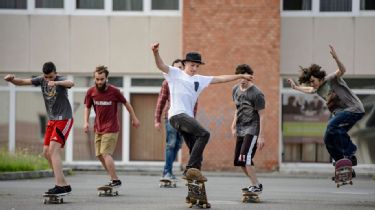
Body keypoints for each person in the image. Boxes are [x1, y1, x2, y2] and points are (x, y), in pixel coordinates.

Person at [151, 42, 253, 179]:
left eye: (197, 66)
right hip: (177, 115)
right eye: (192, 65)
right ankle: (189, 170)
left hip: (186, 118)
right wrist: (155, 52)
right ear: (185, 64)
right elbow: (160, 65)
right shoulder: (175, 74)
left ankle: (195, 179)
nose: (194, 68)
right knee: (204, 134)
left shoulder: (200, 79)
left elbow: (220, 78)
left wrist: (240, 76)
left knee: (196, 149)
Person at [287, 45, 365, 166]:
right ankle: (342, 162)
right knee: (328, 137)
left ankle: (351, 151)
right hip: (342, 115)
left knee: (331, 125)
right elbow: (308, 90)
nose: (312, 84)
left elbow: (342, 70)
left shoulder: (331, 79)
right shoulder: (316, 89)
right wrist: (296, 87)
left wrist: (336, 59)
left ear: (319, 77)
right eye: (310, 83)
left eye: (313, 81)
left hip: (354, 109)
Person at [4, 62, 74, 195]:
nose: (48, 80)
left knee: (53, 151)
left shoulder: (60, 79)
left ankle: (59, 186)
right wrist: (12, 80)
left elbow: (71, 83)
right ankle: (64, 184)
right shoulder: (41, 79)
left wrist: (57, 83)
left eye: (51, 77)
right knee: (46, 152)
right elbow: (23, 81)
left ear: (55, 73)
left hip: (64, 119)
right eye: (46, 77)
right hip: (52, 120)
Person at [84, 65, 140, 187]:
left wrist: (134, 118)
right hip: (98, 128)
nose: (99, 82)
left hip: (111, 127)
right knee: (99, 155)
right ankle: (113, 178)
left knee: (105, 154)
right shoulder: (91, 92)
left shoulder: (114, 91)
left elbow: (126, 104)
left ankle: (115, 180)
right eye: (97, 79)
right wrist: (86, 122)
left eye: (102, 79)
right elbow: (87, 107)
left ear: (106, 78)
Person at [154, 59, 198, 180]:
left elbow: (194, 102)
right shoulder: (167, 82)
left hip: (185, 119)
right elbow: (161, 101)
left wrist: (192, 120)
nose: (177, 70)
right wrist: (157, 119)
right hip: (171, 117)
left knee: (178, 144)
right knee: (171, 144)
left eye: (180, 67)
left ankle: (167, 171)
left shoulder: (188, 81)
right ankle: (167, 172)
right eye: (175, 68)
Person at [231, 64, 265, 194]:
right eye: (241, 78)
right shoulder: (235, 89)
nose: (243, 81)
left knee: (245, 157)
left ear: (250, 78)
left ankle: (256, 185)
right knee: (239, 161)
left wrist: (261, 136)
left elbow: (262, 116)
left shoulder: (257, 93)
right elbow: (237, 108)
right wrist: (233, 125)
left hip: (252, 128)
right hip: (240, 128)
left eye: (246, 78)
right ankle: (256, 184)